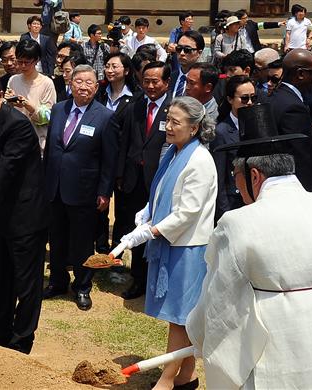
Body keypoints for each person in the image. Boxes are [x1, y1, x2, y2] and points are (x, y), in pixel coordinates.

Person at [187, 105, 312, 389]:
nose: (237, 186)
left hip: (278, 343)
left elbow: (219, 297)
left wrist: (198, 333)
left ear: (254, 175)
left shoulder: (237, 223)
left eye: (237, 178)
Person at [120, 96, 217, 390]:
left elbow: (187, 212)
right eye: (168, 120)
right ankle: (186, 375)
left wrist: (150, 232)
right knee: (180, 317)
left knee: (180, 317)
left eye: (176, 122)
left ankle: (166, 379)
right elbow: (163, 193)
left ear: (195, 127)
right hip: (173, 242)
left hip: (188, 246)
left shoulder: (199, 160)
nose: (169, 127)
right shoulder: (173, 153)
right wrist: (147, 213)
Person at [0, 73, 48, 355]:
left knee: (26, 281)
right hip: (4, 214)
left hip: (26, 216)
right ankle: (1, 327)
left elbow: (8, 167)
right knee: (3, 276)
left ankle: (22, 337)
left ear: (1, 95)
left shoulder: (17, 125)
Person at [42, 64, 119, 311]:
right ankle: (57, 282)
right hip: (55, 188)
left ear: (96, 87)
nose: (83, 86)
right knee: (57, 238)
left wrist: (104, 192)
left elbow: (109, 159)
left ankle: (82, 286)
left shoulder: (105, 116)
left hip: (85, 190)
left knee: (82, 242)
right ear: (70, 84)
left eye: (89, 83)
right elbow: (53, 150)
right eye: (79, 81)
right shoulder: (58, 109)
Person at [117, 61, 172, 300]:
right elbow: (124, 142)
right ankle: (137, 278)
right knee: (136, 230)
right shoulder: (134, 105)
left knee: (158, 231)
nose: (150, 86)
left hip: (159, 182)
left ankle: (157, 279)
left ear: (166, 82)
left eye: (155, 81)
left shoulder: (174, 109)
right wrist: (119, 175)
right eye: (146, 81)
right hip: (133, 181)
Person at [96, 52, 140, 254]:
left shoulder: (136, 98)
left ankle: (118, 250)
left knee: (123, 209)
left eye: (115, 66)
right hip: (99, 159)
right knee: (99, 204)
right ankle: (101, 245)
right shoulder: (100, 93)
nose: (110, 70)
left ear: (127, 70)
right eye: (107, 66)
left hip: (122, 160)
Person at [269, 49, 312, 192]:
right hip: (296, 189)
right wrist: (309, 194)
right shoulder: (293, 107)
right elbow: (300, 158)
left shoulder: (276, 97)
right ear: (300, 74)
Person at [211, 76, 256, 221]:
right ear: (230, 99)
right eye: (244, 99)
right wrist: (224, 213)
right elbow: (219, 176)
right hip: (233, 201)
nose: (249, 103)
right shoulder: (221, 132)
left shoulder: (258, 125)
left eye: (253, 98)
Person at [5, 39, 57, 153]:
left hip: (38, 143)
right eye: (19, 61)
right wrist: (8, 102)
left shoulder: (46, 83)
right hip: (15, 141)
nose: (23, 65)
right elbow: (7, 111)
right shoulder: (13, 80)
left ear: (37, 60)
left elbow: (48, 117)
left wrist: (28, 105)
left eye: (27, 62)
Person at [169, 30, 204, 98]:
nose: (182, 53)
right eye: (179, 49)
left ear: (199, 53)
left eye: (187, 50)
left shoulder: (204, 79)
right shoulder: (170, 78)